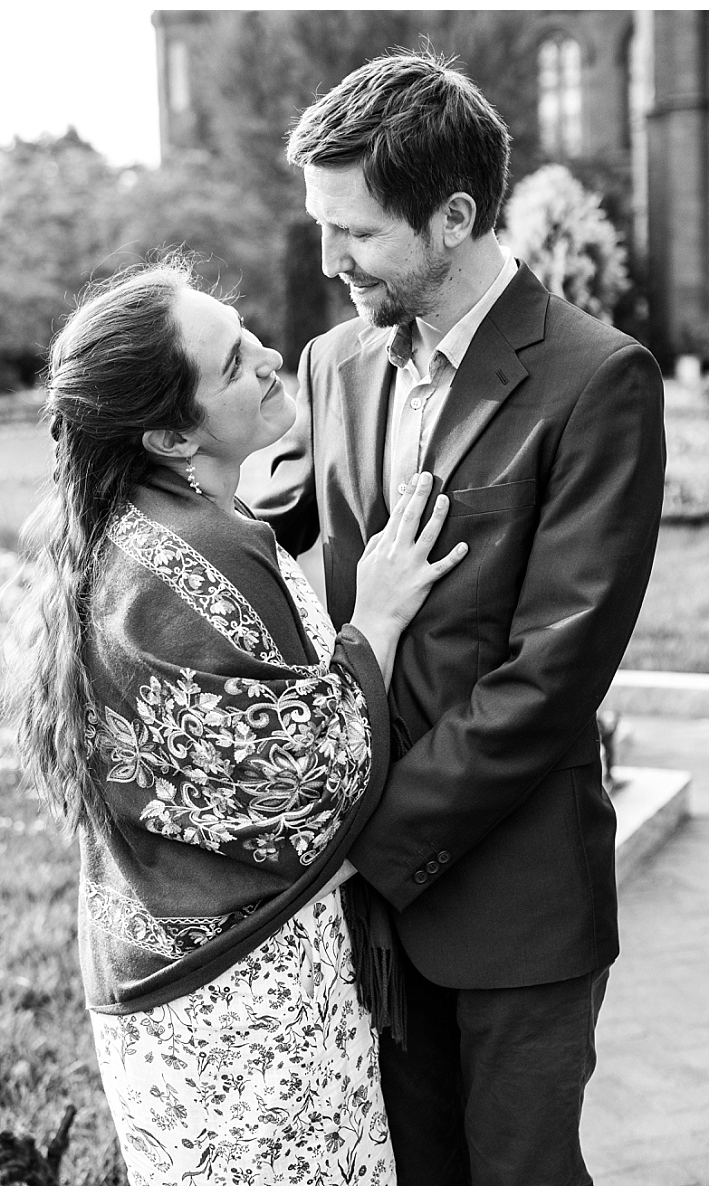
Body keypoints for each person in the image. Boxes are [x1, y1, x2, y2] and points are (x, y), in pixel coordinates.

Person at [250, 51, 666, 1184]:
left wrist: (364, 847)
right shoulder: (331, 362)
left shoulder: (598, 379)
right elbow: (268, 534)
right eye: (320, 226)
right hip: (364, 922)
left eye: (357, 235)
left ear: (454, 216)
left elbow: (550, 675)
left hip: (514, 908)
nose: (328, 259)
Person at [1, 258, 466, 1184]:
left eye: (246, 332)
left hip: (156, 995)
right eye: (231, 363)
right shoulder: (200, 554)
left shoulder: (120, 531)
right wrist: (372, 621)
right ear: (172, 434)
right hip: (245, 1005)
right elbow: (302, 784)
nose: (269, 356)